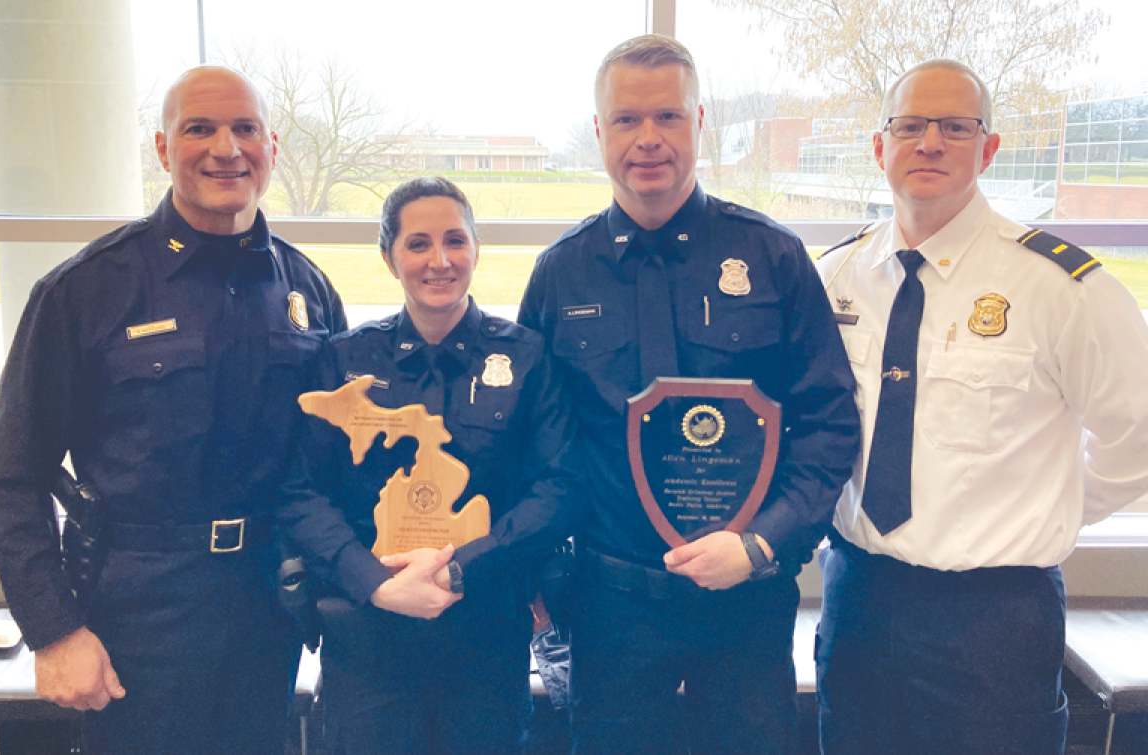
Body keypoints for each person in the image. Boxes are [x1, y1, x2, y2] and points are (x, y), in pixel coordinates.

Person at [0, 66, 347, 755]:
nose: (225, 148)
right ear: (162, 147)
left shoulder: (308, 289)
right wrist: (54, 629)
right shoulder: (87, 289)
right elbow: (8, 478)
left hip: (269, 604)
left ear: (272, 146)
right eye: (198, 128)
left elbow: (331, 462)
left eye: (245, 129)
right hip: (138, 616)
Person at [517, 35, 860, 755]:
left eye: (668, 117)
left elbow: (827, 428)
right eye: (626, 119)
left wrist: (763, 543)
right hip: (610, 608)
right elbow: (529, 445)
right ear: (599, 130)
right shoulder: (560, 275)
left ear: (700, 124)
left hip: (746, 600)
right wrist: (545, 586)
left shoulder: (772, 258)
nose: (648, 139)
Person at [815, 59, 1148, 755]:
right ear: (880, 146)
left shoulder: (1059, 285)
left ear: (988, 147)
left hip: (994, 616)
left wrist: (1049, 505)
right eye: (910, 125)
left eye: (956, 127)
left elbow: (1137, 429)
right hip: (860, 596)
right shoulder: (836, 277)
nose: (930, 142)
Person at [278, 176, 583, 755]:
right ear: (389, 257)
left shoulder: (525, 359)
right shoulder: (345, 363)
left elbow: (561, 488)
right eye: (417, 244)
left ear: (476, 248)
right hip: (369, 640)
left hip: (486, 634)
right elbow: (301, 492)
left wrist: (463, 567)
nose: (439, 261)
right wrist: (375, 583)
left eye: (455, 241)